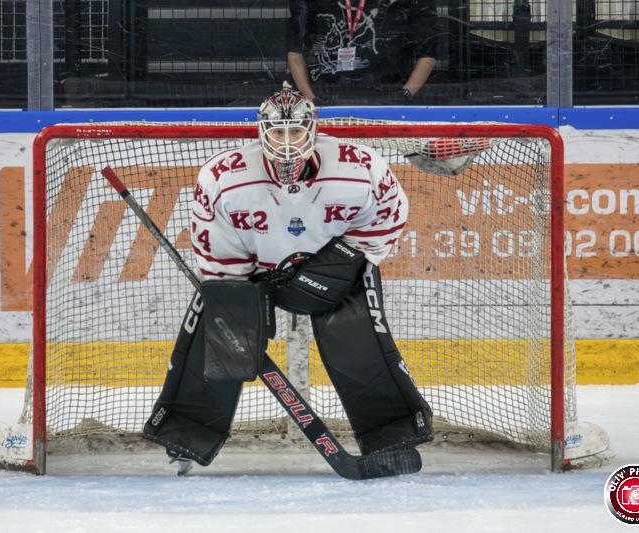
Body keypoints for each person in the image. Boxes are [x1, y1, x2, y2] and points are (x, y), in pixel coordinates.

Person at [142, 82, 434, 474]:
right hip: (256, 272)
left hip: (329, 268)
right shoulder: (224, 177)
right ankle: (186, 433)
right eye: (277, 132)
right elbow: (216, 248)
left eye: (295, 131)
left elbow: (391, 212)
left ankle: (393, 431)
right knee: (219, 330)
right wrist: (238, 309)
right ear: (261, 132)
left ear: (313, 130)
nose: (286, 143)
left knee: (358, 335)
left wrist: (346, 258)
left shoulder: (358, 166)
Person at [287, 0, 439, 103]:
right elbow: (295, 52)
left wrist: (404, 95)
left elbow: (428, 53)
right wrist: (312, 100)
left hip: (388, 92)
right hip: (326, 94)